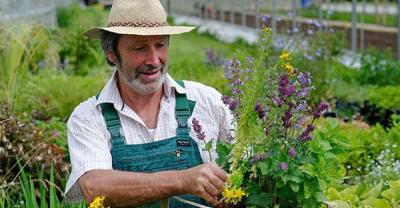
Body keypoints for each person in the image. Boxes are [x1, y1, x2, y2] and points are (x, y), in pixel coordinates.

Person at [64, 0, 233, 207]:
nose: (154, 60)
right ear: (112, 54)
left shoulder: (207, 101)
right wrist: (182, 181)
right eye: (140, 48)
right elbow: (94, 187)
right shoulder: (89, 118)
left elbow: (250, 164)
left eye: (160, 45)